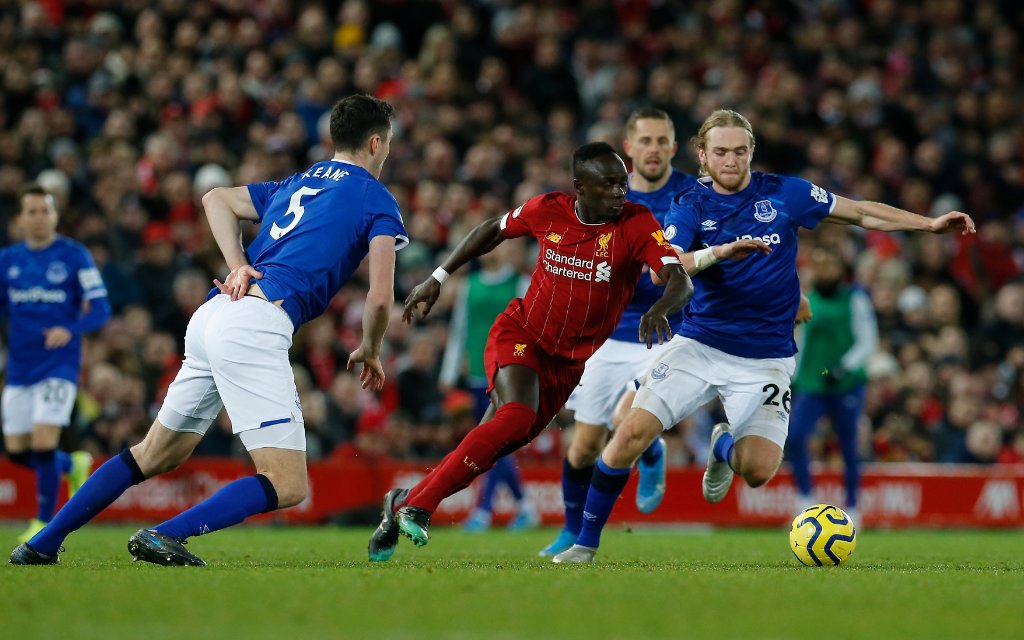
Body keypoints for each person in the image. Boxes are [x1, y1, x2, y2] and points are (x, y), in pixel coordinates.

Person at [553, 109, 976, 563]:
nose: (731, 160)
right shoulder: (689, 204)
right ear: (702, 155)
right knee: (630, 434)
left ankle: (723, 444)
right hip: (699, 343)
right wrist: (721, 252)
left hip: (767, 357)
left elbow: (860, 212)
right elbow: (667, 267)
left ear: (751, 151)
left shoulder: (786, 193)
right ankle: (585, 545)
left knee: (757, 471)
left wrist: (928, 224)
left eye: (739, 151)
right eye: (720, 152)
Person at [11, 94, 407, 566]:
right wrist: (370, 347)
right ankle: (165, 534)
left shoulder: (298, 181)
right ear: (377, 142)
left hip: (215, 312)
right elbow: (381, 296)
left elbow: (216, 198)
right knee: (288, 482)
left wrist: (238, 265)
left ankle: (41, 543)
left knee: (154, 453)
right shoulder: (377, 198)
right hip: (255, 323)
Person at [368, 141, 704, 562]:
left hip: (568, 365)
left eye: (622, 183)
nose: (621, 192)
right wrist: (438, 275)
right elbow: (492, 229)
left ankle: (401, 502)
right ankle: (420, 506)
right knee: (517, 417)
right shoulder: (549, 209)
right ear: (580, 187)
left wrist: (661, 306)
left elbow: (679, 279)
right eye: (609, 185)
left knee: (495, 443)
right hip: (521, 333)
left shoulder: (636, 223)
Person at [540, 108, 696, 557]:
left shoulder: (691, 195)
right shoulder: (605, 196)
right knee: (584, 445)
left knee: (626, 419)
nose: (653, 149)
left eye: (662, 140)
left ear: (673, 146)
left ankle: (648, 454)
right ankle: (571, 530)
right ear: (628, 148)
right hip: (606, 335)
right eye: (644, 141)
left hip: (665, 331)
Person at [1, 185, 110, 544]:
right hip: (19, 367)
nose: (38, 217)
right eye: (31, 211)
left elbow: (101, 309)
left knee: (44, 442)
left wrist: (71, 328)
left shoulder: (74, 255)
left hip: (59, 365)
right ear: (19, 219)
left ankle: (43, 523)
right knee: (17, 450)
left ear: (55, 215)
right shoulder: (8, 260)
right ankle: (72, 465)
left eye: (44, 210)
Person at [438, 242, 539, 532]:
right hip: (477, 375)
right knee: (495, 444)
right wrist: (448, 371)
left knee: (493, 442)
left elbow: (531, 328)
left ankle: (483, 510)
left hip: (508, 373)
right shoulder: (469, 287)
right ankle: (523, 506)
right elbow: (460, 330)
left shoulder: (518, 282)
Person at [787, 249, 878, 525]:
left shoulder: (855, 300)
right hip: (813, 383)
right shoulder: (806, 301)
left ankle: (853, 506)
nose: (825, 273)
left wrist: (844, 367)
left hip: (846, 383)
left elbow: (867, 340)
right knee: (796, 437)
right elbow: (799, 343)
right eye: (820, 267)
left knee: (849, 446)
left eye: (831, 268)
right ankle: (804, 499)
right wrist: (790, 374)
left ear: (841, 272)